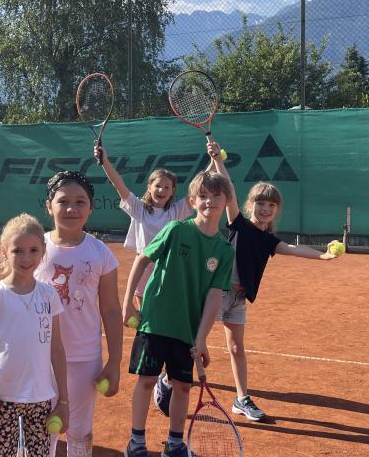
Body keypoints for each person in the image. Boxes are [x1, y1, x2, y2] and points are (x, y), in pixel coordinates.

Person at [154, 140, 339, 422]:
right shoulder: (238, 223)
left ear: (277, 210)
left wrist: (323, 256)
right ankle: (167, 379)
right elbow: (227, 189)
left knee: (237, 348)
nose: (265, 209)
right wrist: (218, 160)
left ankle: (242, 399)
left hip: (238, 300)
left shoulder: (268, 240)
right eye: (260, 203)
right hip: (216, 293)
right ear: (248, 205)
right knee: (192, 342)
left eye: (271, 205)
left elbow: (291, 249)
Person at [122, 167, 234, 457]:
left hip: (187, 327)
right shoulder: (176, 229)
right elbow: (142, 259)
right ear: (193, 201)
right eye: (203, 196)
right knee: (146, 380)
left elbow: (214, 296)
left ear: (226, 200)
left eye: (216, 196)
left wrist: (202, 338)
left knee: (183, 387)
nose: (210, 201)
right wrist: (127, 303)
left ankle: (174, 444)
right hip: (155, 320)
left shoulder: (223, 249)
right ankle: (136, 442)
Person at [34, 171, 123, 457]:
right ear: (49, 206)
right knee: (42, 427)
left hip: (85, 358)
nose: (71, 208)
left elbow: (110, 310)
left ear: (91, 207)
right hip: (39, 357)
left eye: (80, 201)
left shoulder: (100, 253)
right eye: (63, 201)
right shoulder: (34, 249)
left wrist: (115, 361)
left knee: (79, 430)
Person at [0, 213, 69, 457]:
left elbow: (57, 350)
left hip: (41, 398)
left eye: (33, 250)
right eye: (18, 250)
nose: (26, 258)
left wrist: (64, 401)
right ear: (4, 251)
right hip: (1, 399)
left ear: (42, 252)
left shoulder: (49, 296)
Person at [94, 145, 193, 309]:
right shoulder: (138, 207)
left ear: (172, 191)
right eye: (158, 186)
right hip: (143, 265)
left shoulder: (177, 211)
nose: (161, 190)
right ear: (149, 187)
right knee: (144, 310)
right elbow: (118, 183)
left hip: (168, 266)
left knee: (167, 308)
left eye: (167, 187)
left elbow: (197, 190)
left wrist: (214, 160)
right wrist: (105, 161)